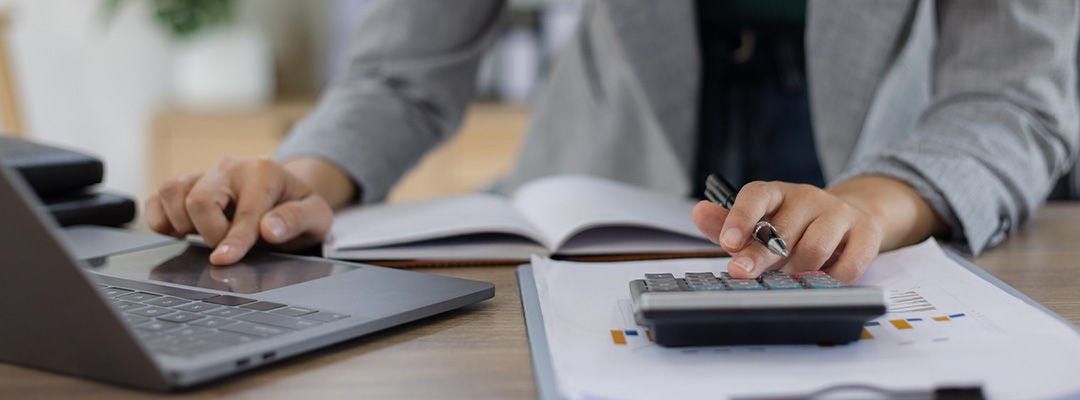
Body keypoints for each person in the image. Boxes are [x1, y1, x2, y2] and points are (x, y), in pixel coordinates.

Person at [146, 1, 1079, 284]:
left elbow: (1011, 98)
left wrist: (873, 203)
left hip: (892, 167)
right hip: (598, 194)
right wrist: (299, 182)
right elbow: (404, 70)